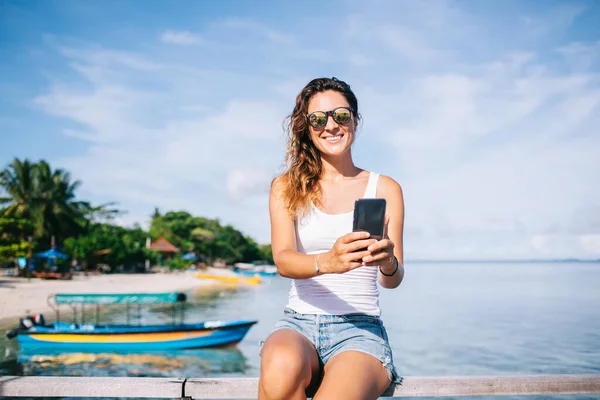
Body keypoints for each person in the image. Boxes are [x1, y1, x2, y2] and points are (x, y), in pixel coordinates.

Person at [258, 77, 405, 400]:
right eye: (318, 119)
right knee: (280, 368)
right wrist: (329, 261)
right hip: (297, 324)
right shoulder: (285, 187)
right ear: (306, 126)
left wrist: (388, 261)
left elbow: (392, 280)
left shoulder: (385, 188)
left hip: (360, 329)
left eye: (340, 115)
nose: (330, 126)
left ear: (354, 119)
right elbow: (283, 259)